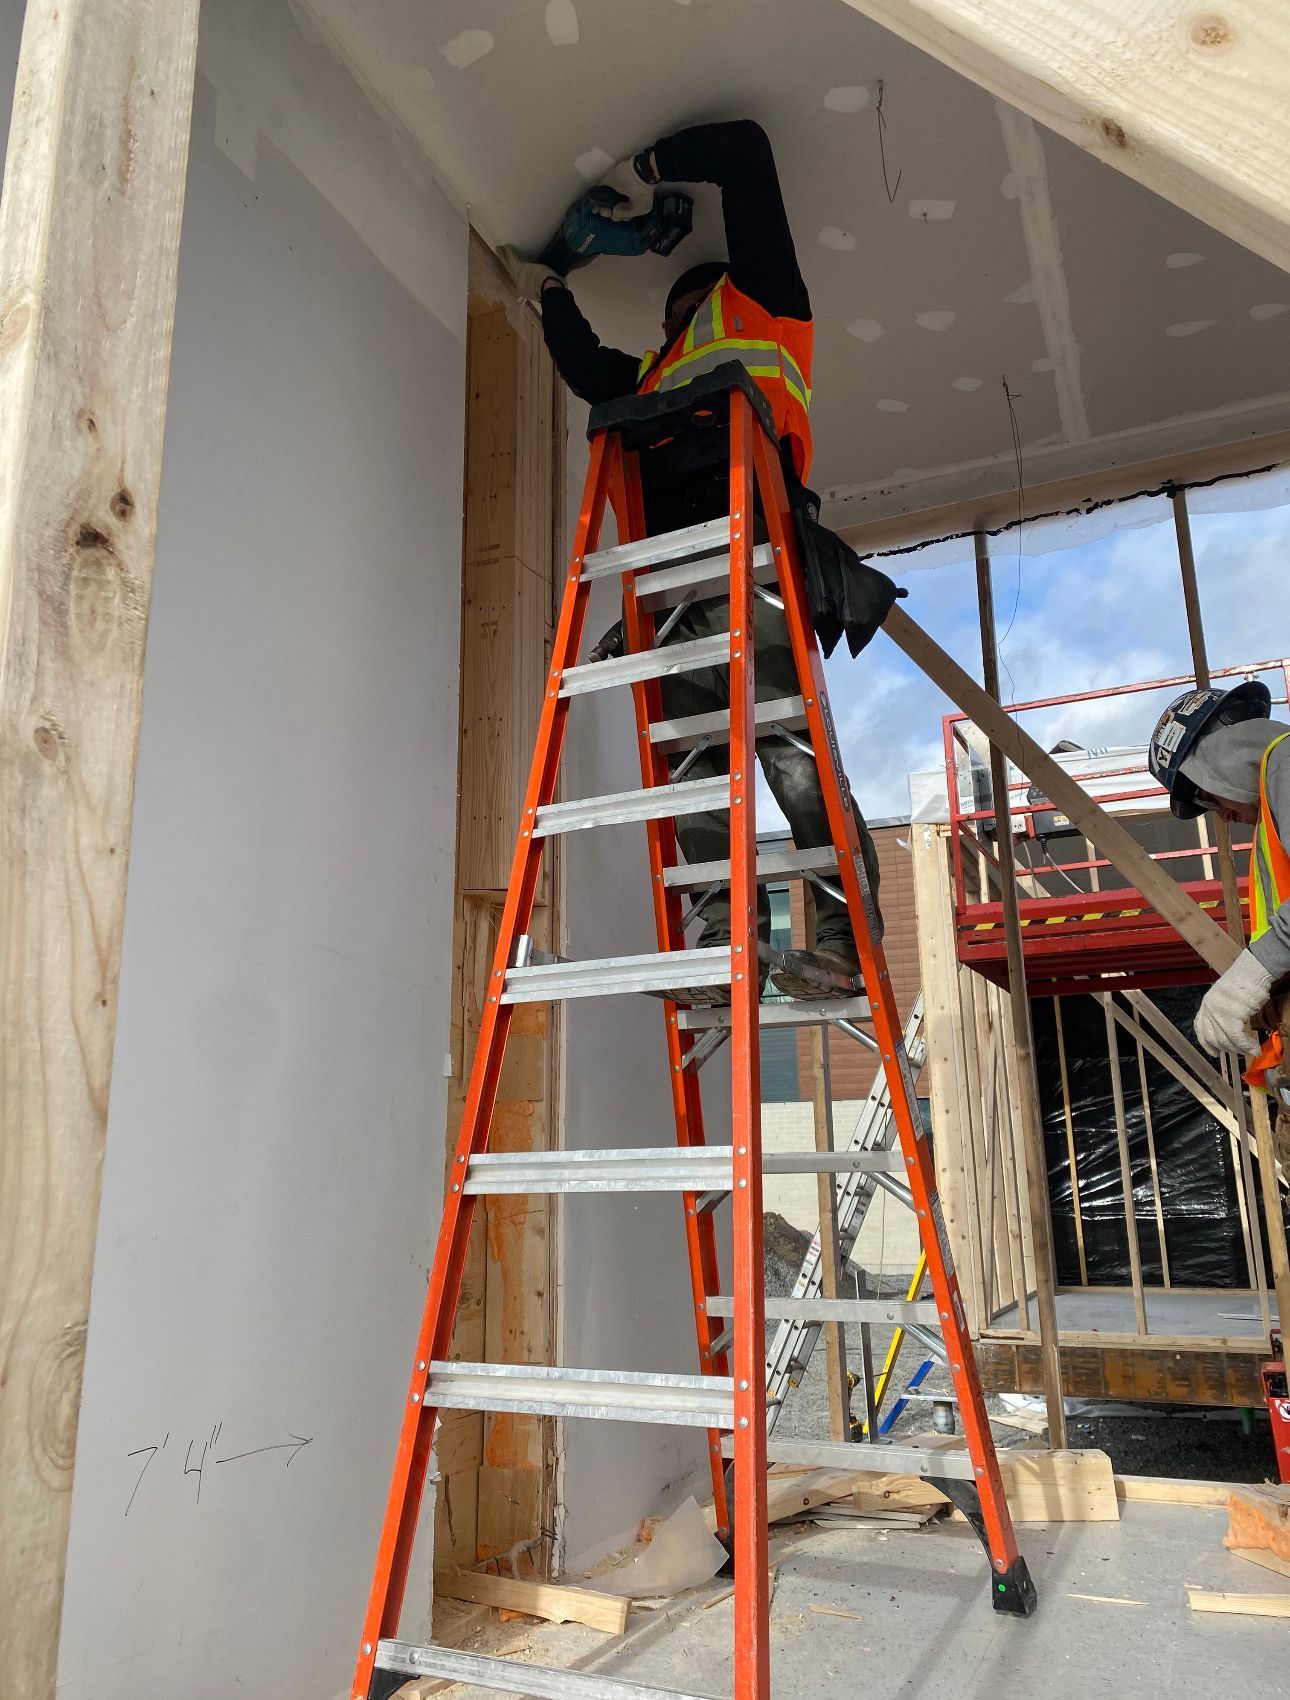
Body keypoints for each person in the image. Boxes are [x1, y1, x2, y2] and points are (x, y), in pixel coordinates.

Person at [504, 119, 884, 999]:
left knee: (790, 755)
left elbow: (747, 151)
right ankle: (723, 950)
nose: (668, 327)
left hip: (757, 563)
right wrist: (548, 289)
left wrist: (644, 167)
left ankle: (843, 945)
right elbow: (586, 366)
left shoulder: (765, 305)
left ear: (696, 300)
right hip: (675, 592)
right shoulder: (653, 377)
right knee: (695, 775)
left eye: (673, 313)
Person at [1147, 680, 1290, 1062]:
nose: (1222, 816)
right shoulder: (1277, 789)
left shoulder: (1287, 763)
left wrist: (1250, 977)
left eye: (1205, 795)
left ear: (1218, 758)